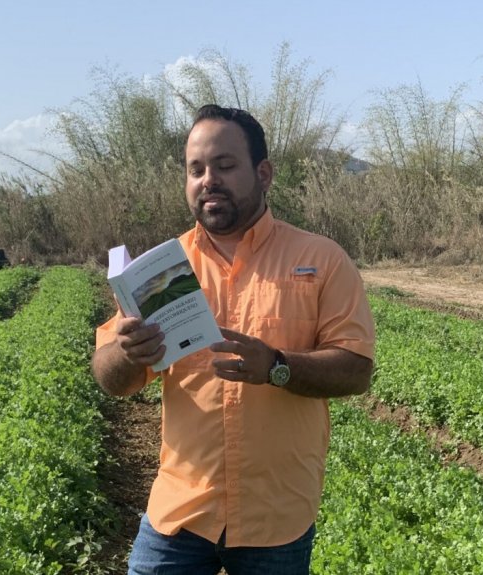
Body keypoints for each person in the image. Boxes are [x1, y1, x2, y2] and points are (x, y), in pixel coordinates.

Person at [92, 104, 375, 575]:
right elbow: (110, 378)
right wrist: (125, 353)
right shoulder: (161, 269)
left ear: (263, 174)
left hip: (275, 514)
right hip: (181, 509)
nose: (209, 180)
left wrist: (277, 367)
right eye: (196, 169)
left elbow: (356, 368)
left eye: (225, 166)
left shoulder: (320, 259)